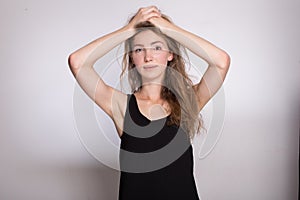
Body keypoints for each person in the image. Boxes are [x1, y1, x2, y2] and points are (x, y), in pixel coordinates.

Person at [68, 6, 230, 200]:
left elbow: (221, 62)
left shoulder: (188, 101)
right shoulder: (120, 105)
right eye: (139, 49)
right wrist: (129, 29)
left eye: (157, 47)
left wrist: (169, 29)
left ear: (170, 54)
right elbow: (77, 62)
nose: (148, 56)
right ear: (132, 58)